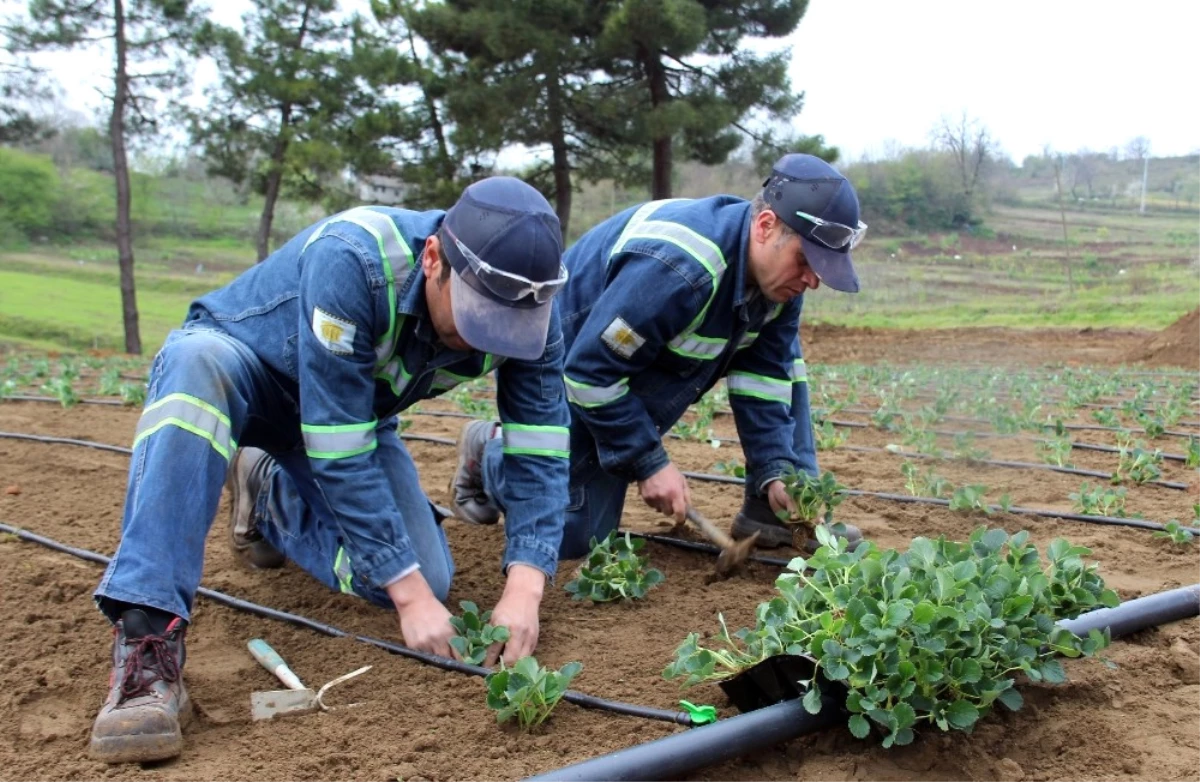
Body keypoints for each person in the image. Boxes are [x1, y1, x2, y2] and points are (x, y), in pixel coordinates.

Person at [88, 177, 572, 764]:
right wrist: (410, 597)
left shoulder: (532, 306)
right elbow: (338, 450)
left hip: (349, 415)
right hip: (249, 373)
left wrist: (526, 585)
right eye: (476, 317)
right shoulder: (355, 257)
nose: (483, 339)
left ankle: (265, 491)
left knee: (418, 579)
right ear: (433, 258)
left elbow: (542, 445)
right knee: (197, 366)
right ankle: (147, 637)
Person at [451, 154, 864, 559]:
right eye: (806, 261)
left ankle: (776, 510)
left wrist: (776, 468)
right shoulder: (680, 269)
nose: (813, 280)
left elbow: (765, 377)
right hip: (572, 357)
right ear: (765, 225)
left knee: (787, 367)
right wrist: (649, 462)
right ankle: (492, 450)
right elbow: (588, 374)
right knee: (573, 536)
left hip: (636, 359)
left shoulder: (780, 283)